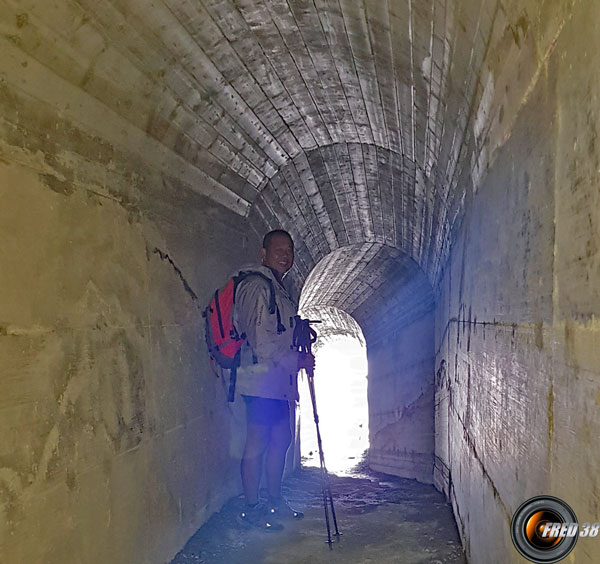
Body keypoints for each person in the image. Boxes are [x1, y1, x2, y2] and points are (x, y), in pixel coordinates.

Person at [233, 229, 314, 530]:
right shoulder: (257, 286)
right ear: (263, 254)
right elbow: (262, 343)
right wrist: (298, 359)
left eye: (289, 249)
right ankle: (252, 508)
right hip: (261, 382)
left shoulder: (278, 289)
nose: (285, 254)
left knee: (282, 439)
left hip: (278, 383)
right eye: (278, 249)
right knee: (258, 442)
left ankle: (273, 502)